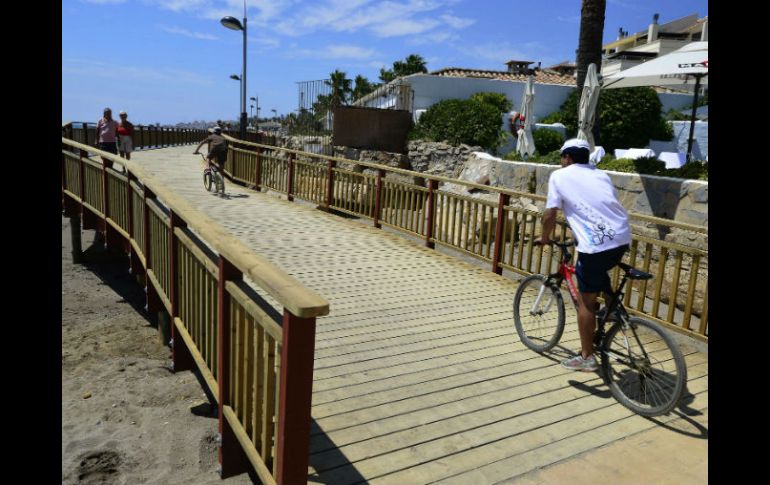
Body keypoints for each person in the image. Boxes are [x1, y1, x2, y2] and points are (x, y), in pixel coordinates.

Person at [537, 138, 632, 372]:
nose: (561, 162)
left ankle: (587, 356)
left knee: (586, 302)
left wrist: (545, 237)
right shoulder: (600, 175)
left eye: (562, 158)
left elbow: (550, 213)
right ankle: (614, 310)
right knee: (599, 268)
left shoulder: (560, 176)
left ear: (567, 157)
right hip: (621, 237)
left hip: (595, 244)